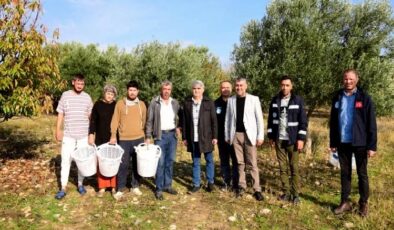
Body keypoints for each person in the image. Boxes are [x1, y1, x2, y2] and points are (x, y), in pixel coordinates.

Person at [329, 69, 377, 217]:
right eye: (345, 79)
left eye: (351, 79)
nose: (348, 82)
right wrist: (333, 141)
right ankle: (345, 202)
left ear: (357, 79)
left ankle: (363, 204)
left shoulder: (364, 98)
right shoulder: (337, 96)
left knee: (362, 174)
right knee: (345, 173)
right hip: (343, 141)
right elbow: (333, 121)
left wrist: (372, 145)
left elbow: (371, 123)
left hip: (360, 142)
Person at [267, 76, 307, 204]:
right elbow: (270, 120)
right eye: (283, 85)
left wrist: (301, 139)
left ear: (291, 86)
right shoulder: (275, 100)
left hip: (293, 140)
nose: (285, 87)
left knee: (294, 167)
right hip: (279, 139)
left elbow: (303, 122)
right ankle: (286, 192)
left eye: (287, 85)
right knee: (282, 167)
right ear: (280, 86)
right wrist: (271, 137)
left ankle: (295, 195)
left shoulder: (297, 100)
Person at [225, 77, 264, 201]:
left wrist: (260, 136)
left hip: (250, 135)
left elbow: (259, 119)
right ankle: (241, 186)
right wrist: (227, 135)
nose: (239, 88)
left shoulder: (254, 99)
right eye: (237, 85)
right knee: (239, 163)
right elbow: (228, 119)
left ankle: (256, 189)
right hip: (236, 134)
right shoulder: (231, 100)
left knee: (252, 163)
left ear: (246, 86)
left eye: (241, 85)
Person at [55, 74, 93, 200]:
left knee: (82, 162)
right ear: (73, 82)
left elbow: (90, 117)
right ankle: (63, 187)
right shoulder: (65, 95)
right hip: (68, 135)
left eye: (82, 84)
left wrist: (92, 133)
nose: (80, 86)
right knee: (66, 161)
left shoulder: (87, 97)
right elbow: (61, 114)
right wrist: (58, 130)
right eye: (78, 83)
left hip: (83, 135)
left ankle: (80, 184)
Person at [110, 80, 147, 200]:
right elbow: (115, 120)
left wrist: (146, 137)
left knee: (137, 163)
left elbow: (145, 121)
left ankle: (135, 186)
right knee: (123, 164)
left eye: (134, 90)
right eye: (130, 90)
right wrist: (113, 135)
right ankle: (120, 187)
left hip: (139, 138)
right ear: (127, 91)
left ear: (138, 91)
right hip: (124, 139)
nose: (132, 92)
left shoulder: (142, 105)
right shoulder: (120, 104)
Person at [145, 80, 181, 200]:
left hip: (172, 136)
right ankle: (159, 189)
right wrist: (148, 136)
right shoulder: (155, 102)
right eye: (164, 89)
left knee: (170, 161)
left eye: (168, 89)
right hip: (160, 136)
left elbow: (178, 117)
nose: (166, 91)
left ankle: (168, 185)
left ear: (171, 90)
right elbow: (149, 120)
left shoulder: (174, 102)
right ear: (161, 90)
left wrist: (178, 128)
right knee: (160, 163)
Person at [181, 80, 218, 193]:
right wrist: (184, 137)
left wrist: (215, 136)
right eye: (194, 89)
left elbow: (214, 121)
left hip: (206, 137)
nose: (196, 91)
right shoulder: (187, 103)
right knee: (196, 162)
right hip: (193, 138)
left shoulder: (209, 102)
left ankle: (210, 182)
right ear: (192, 90)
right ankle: (196, 184)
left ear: (203, 89)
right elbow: (184, 122)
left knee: (209, 160)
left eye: (198, 88)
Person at [88, 85, 117, 197]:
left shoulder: (116, 105)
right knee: (102, 162)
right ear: (104, 94)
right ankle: (102, 187)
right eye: (108, 93)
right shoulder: (98, 105)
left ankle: (114, 186)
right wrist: (91, 134)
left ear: (114, 96)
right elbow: (93, 121)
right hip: (100, 137)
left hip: (113, 138)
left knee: (113, 162)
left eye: (112, 94)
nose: (109, 96)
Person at [214, 80, 238, 191]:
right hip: (221, 138)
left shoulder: (236, 101)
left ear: (231, 88)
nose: (225, 89)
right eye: (223, 87)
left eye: (227, 87)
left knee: (236, 160)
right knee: (224, 161)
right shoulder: (215, 103)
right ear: (220, 89)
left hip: (234, 137)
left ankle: (236, 183)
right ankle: (226, 182)